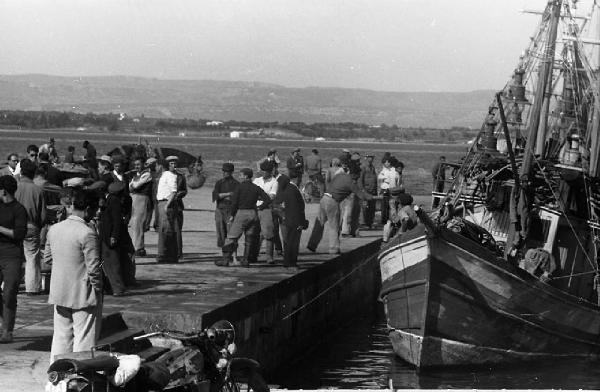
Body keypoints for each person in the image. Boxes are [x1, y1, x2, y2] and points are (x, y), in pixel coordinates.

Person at [45, 188, 103, 361]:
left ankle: (56, 375)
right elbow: (94, 269)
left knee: (61, 338)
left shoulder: (54, 229)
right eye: (95, 209)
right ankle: (79, 376)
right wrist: (98, 289)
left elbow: (47, 259)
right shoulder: (87, 233)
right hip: (82, 294)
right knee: (84, 340)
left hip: (59, 291)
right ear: (87, 209)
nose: (96, 213)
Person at [306, 171, 373, 254]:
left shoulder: (340, 175)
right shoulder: (351, 183)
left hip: (324, 198)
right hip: (333, 201)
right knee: (334, 226)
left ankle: (312, 245)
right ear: (354, 176)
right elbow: (361, 195)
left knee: (319, 223)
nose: (356, 180)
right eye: (356, 178)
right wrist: (371, 197)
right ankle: (334, 248)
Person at [220, 168, 271, 267]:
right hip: (253, 213)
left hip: (242, 213)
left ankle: (225, 260)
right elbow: (268, 199)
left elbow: (234, 203)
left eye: (241, 175)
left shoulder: (239, 187)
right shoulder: (256, 187)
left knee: (232, 237)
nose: (240, 176)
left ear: (246, 176)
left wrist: (232, 215)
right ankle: (246, 261)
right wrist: (260, 207)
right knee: (249, 238)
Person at [0, 175, 27, 343]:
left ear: (3, 191)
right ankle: (4, 322)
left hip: (12, 254)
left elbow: (19, 234)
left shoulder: (19, 209)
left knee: (9, 292)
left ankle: (7, 331)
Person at [15, 159, 46, 295]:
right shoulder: (37, 190)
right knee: (32, 258)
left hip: (14, 226)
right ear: (34, 173)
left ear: (21, 171)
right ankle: (32, 288)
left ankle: (9, 285)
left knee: (13, 257)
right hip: (31, 226)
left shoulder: (14, 187)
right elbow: (43, 215)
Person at [99, 182, 129, 296]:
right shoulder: (110, 200)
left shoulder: (113, 201)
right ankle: (111, 287)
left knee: (112, 263)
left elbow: (116, 220)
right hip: (106, 236)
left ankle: (118, 288)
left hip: (109, 237)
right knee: (107, 264)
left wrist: (114, 236)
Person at [155, 157, 187, 263]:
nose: (174, 165)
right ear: (168, 165)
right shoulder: (164, 175)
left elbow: (180, 191)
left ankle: (170, 254)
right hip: (165, 202)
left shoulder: (179, 176)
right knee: (168, 229)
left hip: (172, 203)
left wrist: (170, 201)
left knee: (172, 229)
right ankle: (169, 254)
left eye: (175, 163)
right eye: (171, 163)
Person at [273, 175, 308, 268]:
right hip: (295, 220)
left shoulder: (281, 191)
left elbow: (276, 204)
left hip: (284, 220)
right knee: (294, 243)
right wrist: (301, 222)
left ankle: (287, 262)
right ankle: (292, 262)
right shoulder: (293, 190)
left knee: (287, 242)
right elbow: (299, 207)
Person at [251, 160, 278, 264]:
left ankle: (269, 257)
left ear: (270, 171)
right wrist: (263, 196)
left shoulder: (274, 182)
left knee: (268, 234)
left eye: (265, 171)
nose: (263, 172)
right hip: (255, 209)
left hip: (266, 210)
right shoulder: (257, 180)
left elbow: (271, 197)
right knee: (255, 234)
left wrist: (258, 196)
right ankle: (254, 255)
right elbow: (253, 194)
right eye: (262, 170)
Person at [212, 163, 239, 265]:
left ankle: (235, 257)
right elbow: (215, 196)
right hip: (220, 209)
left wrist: (222, 196)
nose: (224, 173)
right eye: (223, 171)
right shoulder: (219, 183)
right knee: (221, 233)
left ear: (231, 172)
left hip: (230, 210)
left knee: (232, 234)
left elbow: (235, 199)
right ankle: (225, 257)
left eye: (226, 172)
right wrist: (227, 194)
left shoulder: (236, 184)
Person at [129, 157, 153, 257]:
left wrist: (132, 184)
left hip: (142, 199)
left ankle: (139, 247)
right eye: (135, 165)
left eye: (138, 164)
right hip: (135, 199)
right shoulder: (137, 175)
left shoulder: (147, 174)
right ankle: (136, 246)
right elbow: (130, 186)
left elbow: (135, 185)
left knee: (138, 223)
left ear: (143, 164)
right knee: (134, 224)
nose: (137, 167)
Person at [378, 156, 401, 224]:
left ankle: (391, 221)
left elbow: (395, 182)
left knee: (391, 206)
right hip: (386, 190)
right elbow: (380, 178)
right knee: (387, 207)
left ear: (390, 163)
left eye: (387, 162)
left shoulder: (394, 171)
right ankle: (387, 221)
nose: (385, 163)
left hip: (390, 190)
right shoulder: (385, 170)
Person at [359, 153, 378, 228]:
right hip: (366, 190)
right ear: (366, 158)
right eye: (369, 157)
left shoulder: (372, 167)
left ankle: (370, 222)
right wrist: (363, 190)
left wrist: (376, 190)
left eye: (372, 158)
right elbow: (360, 179)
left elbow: (374, 179)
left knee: (372, 207)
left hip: (373, 191)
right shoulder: (363, 167)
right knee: (364, 207)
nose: (371, 159)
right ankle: (364, 223)